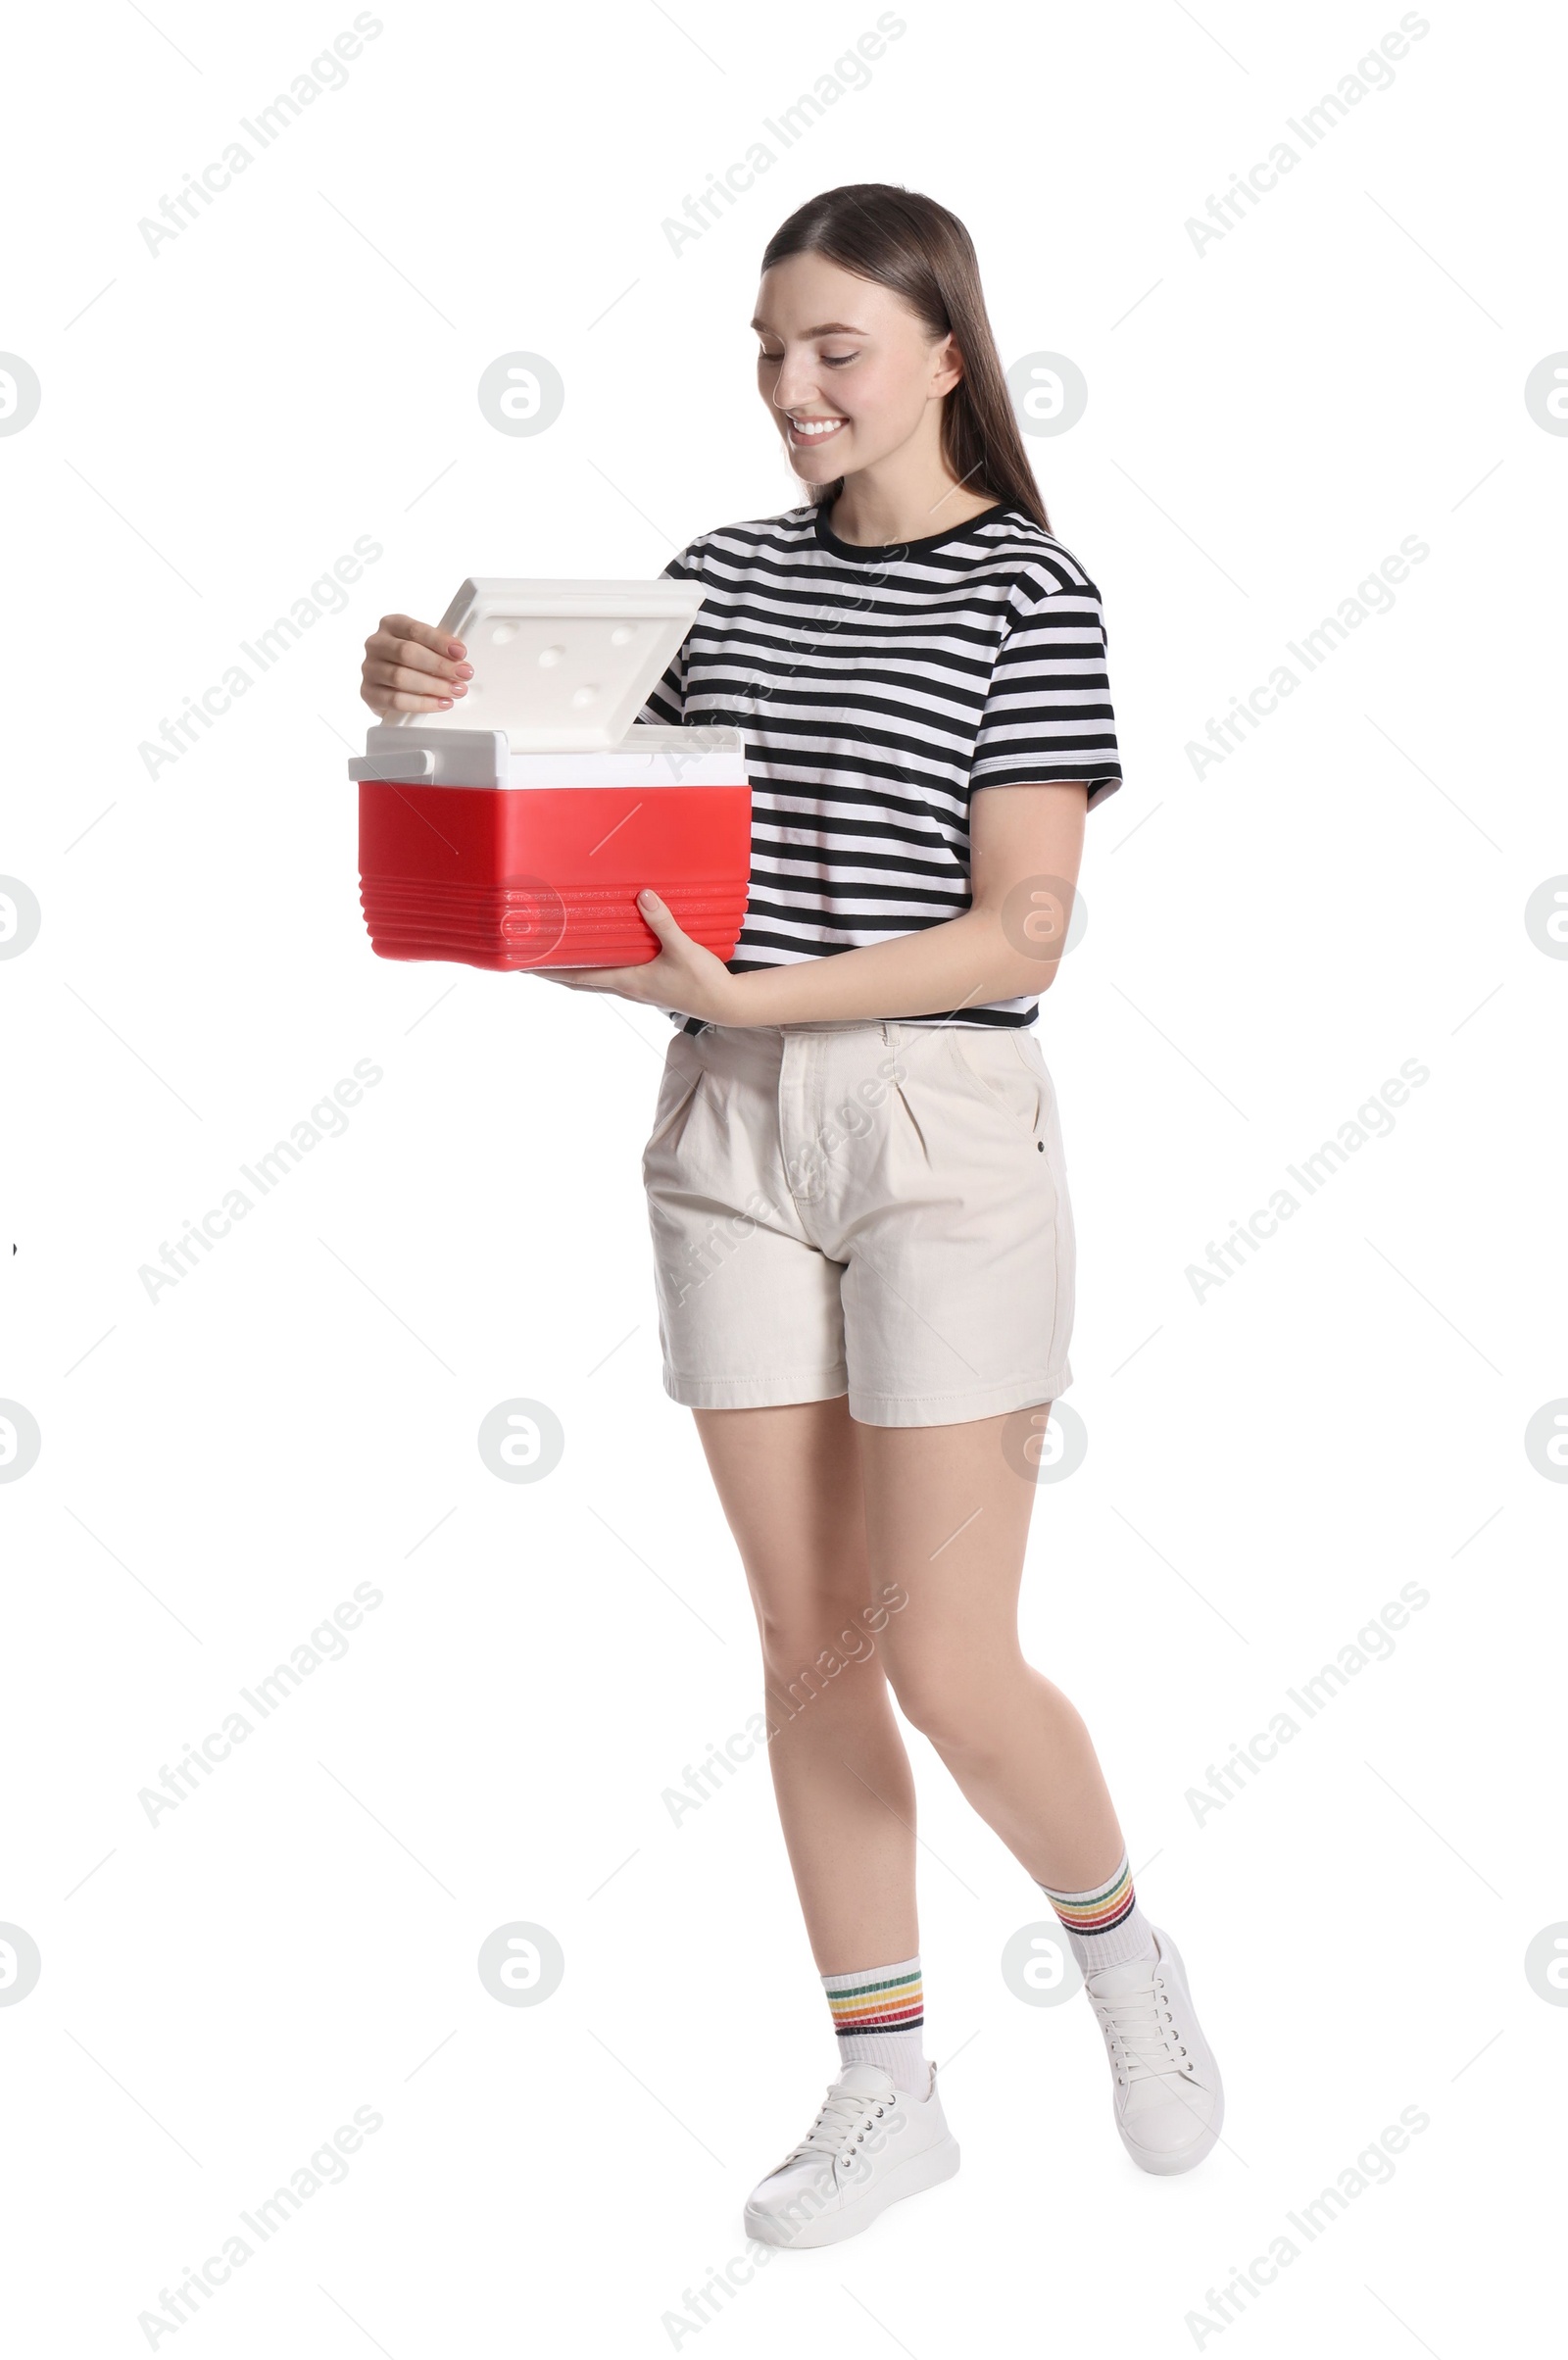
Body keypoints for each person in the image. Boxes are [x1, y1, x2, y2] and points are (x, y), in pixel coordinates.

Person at [359, 181, 1223, 2250]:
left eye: (831, 345)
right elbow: (581, 851)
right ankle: (883, 2084)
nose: (789, 386)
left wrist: (762, 992)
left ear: (942, 351)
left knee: (945, 1650)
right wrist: (429, 711)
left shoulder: (1031, 591)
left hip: (938, 1124)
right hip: (727, 1129)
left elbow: (1021, 918)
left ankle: (1120, 1959)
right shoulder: (714, 582)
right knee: (806, 1635)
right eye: (765, 347)